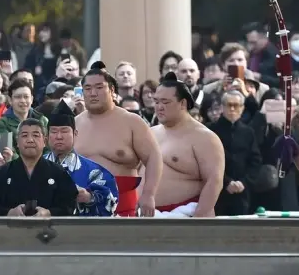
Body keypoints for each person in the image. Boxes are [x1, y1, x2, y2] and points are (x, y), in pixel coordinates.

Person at [74, 61, 162, 217]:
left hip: (124, 204)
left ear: (112, 90)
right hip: (81, 206)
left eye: (99, 87)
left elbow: (154, 157)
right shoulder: (74, 124)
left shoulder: (132, 121)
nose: (93, 93)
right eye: (88, 88)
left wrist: (149, 194)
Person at [149, 72, 224, 217]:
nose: (159, 107)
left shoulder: (204, 137)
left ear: (182, 103)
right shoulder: (151, 133)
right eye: (156, 102)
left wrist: (197, 222)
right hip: (147, 215)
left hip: (186, 214)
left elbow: (214, 182)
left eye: (165, 102)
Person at [0, 118, 78, 217]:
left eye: (36, 135)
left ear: (45, 141)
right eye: (24, 135)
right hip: (10, 230)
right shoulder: (1, 173)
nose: (30, 140)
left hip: (48, 230)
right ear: (17, 142)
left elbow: (69, 205)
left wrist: (48, 213)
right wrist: (9, 213)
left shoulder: (58, 173)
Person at [45, 100, 119, 216]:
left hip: (80, 231)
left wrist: (90, 197)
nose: (59, 136)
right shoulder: (36, 166)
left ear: (75, 134)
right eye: (54, 131)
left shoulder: (94, 172)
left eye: (64, 131)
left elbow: (112, 203)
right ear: (47, 136)